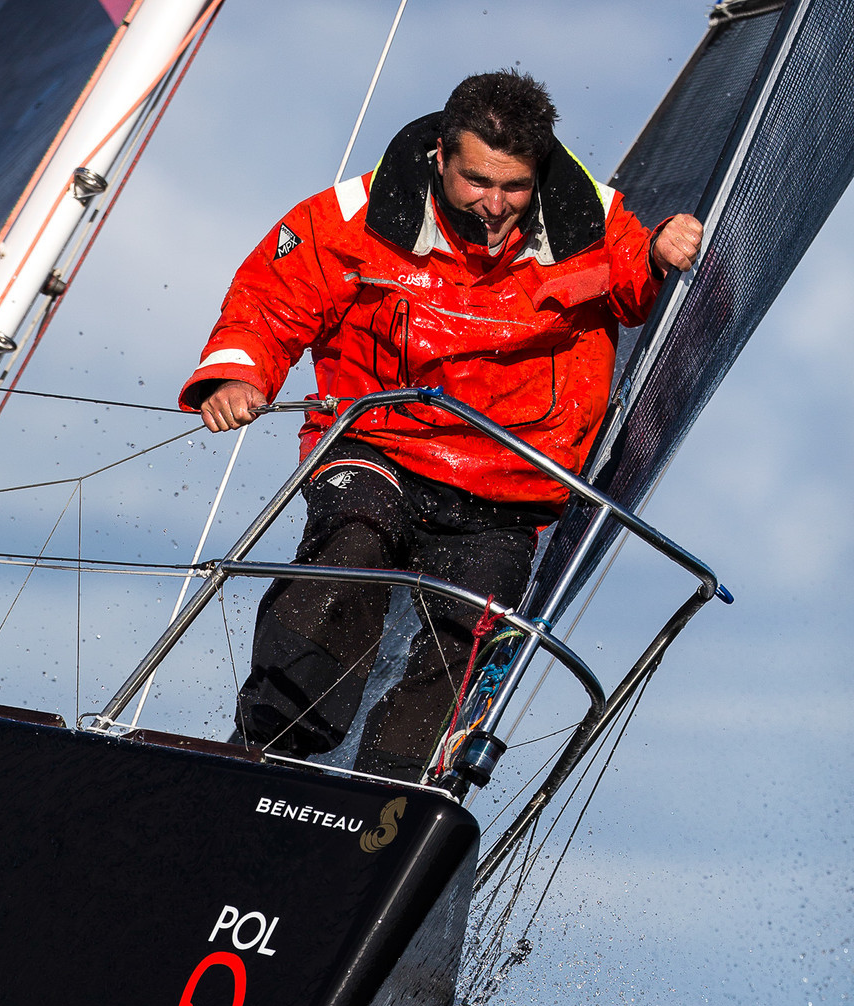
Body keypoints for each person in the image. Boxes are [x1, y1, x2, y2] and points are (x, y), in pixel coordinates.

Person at [180, 71, 703, 777]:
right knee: (350, 550)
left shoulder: (591, 219)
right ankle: (269, 756)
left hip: (509, 489)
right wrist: (238, 374)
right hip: (376, 447)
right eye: (477, 181)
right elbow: (271, 302)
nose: (494, 205)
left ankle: (388, 801)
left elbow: (635, 278)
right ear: (439, 157)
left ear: (538, 170)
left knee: (465, 632)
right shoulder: (353, 215)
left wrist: (665, 247)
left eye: (514, 187)